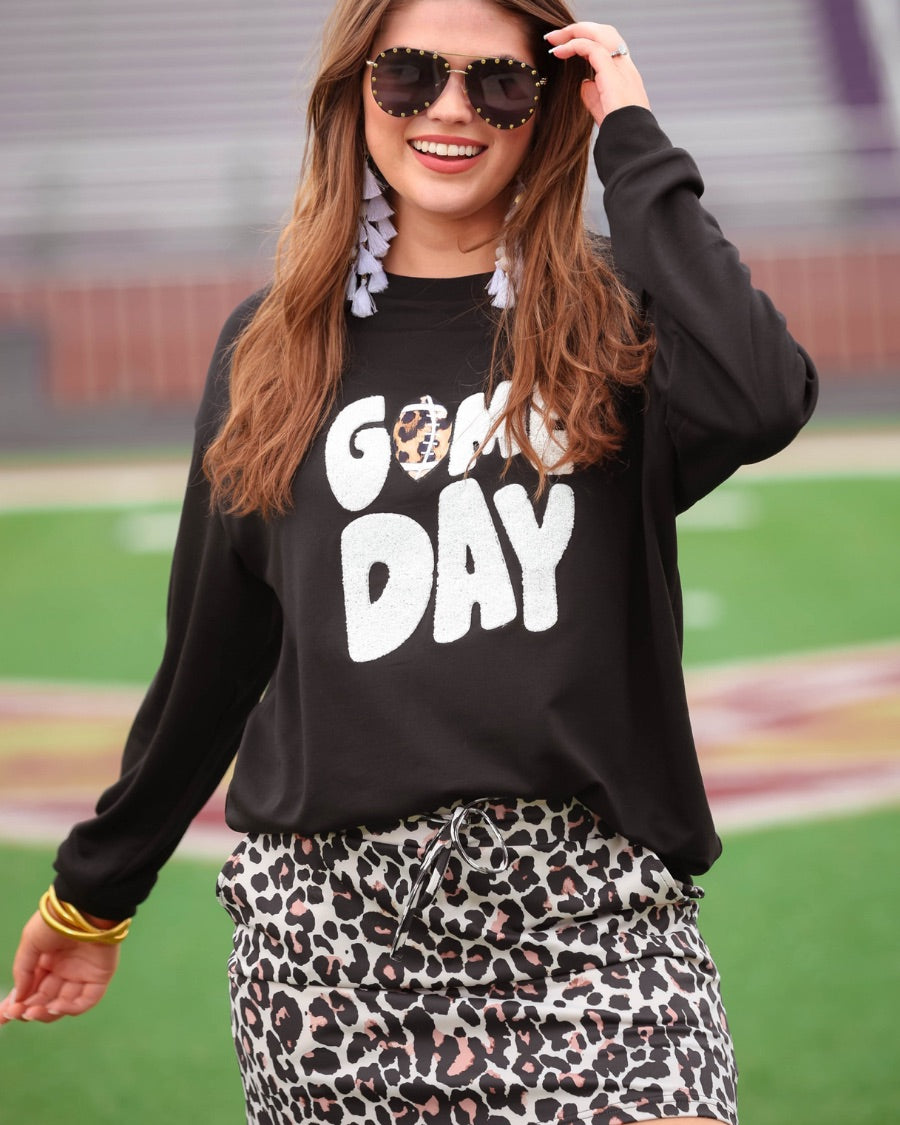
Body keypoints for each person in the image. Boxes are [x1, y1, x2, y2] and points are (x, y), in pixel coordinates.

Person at [0, 1, 818, 1122]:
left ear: (546, 108)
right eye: (411, 74)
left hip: (590, 922)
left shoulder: (613, 325)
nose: (450, 108)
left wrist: (631, 135)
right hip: (333, 940)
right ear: (355, 89)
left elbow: (765, 392)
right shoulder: (270, 349)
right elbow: (213, 659)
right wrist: (93, 896)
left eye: (499, 84)